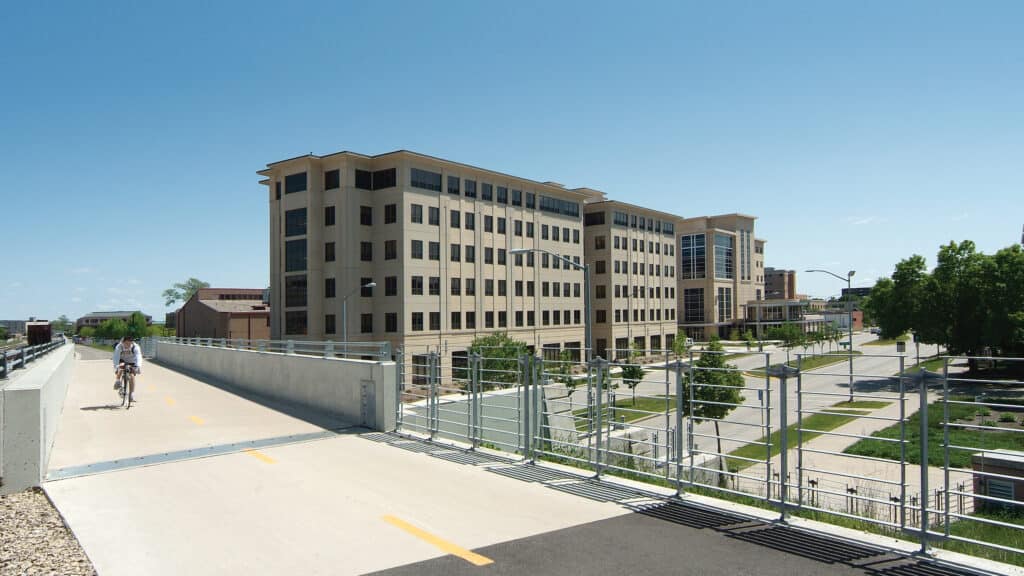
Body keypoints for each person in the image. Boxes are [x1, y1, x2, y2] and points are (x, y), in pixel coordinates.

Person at [113, 335, 143, 402]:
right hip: (122, 360)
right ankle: (117, 381)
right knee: (120, 367)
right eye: (126, 343)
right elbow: (116, 357)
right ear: (123, 342)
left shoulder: (135, 347)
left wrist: (138, 366)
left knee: (132, 375)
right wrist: (116, 366)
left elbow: (138, 357)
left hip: (132, 361)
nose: (128, 345)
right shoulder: (119, 346)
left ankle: (131, 394)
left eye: (130, 343)